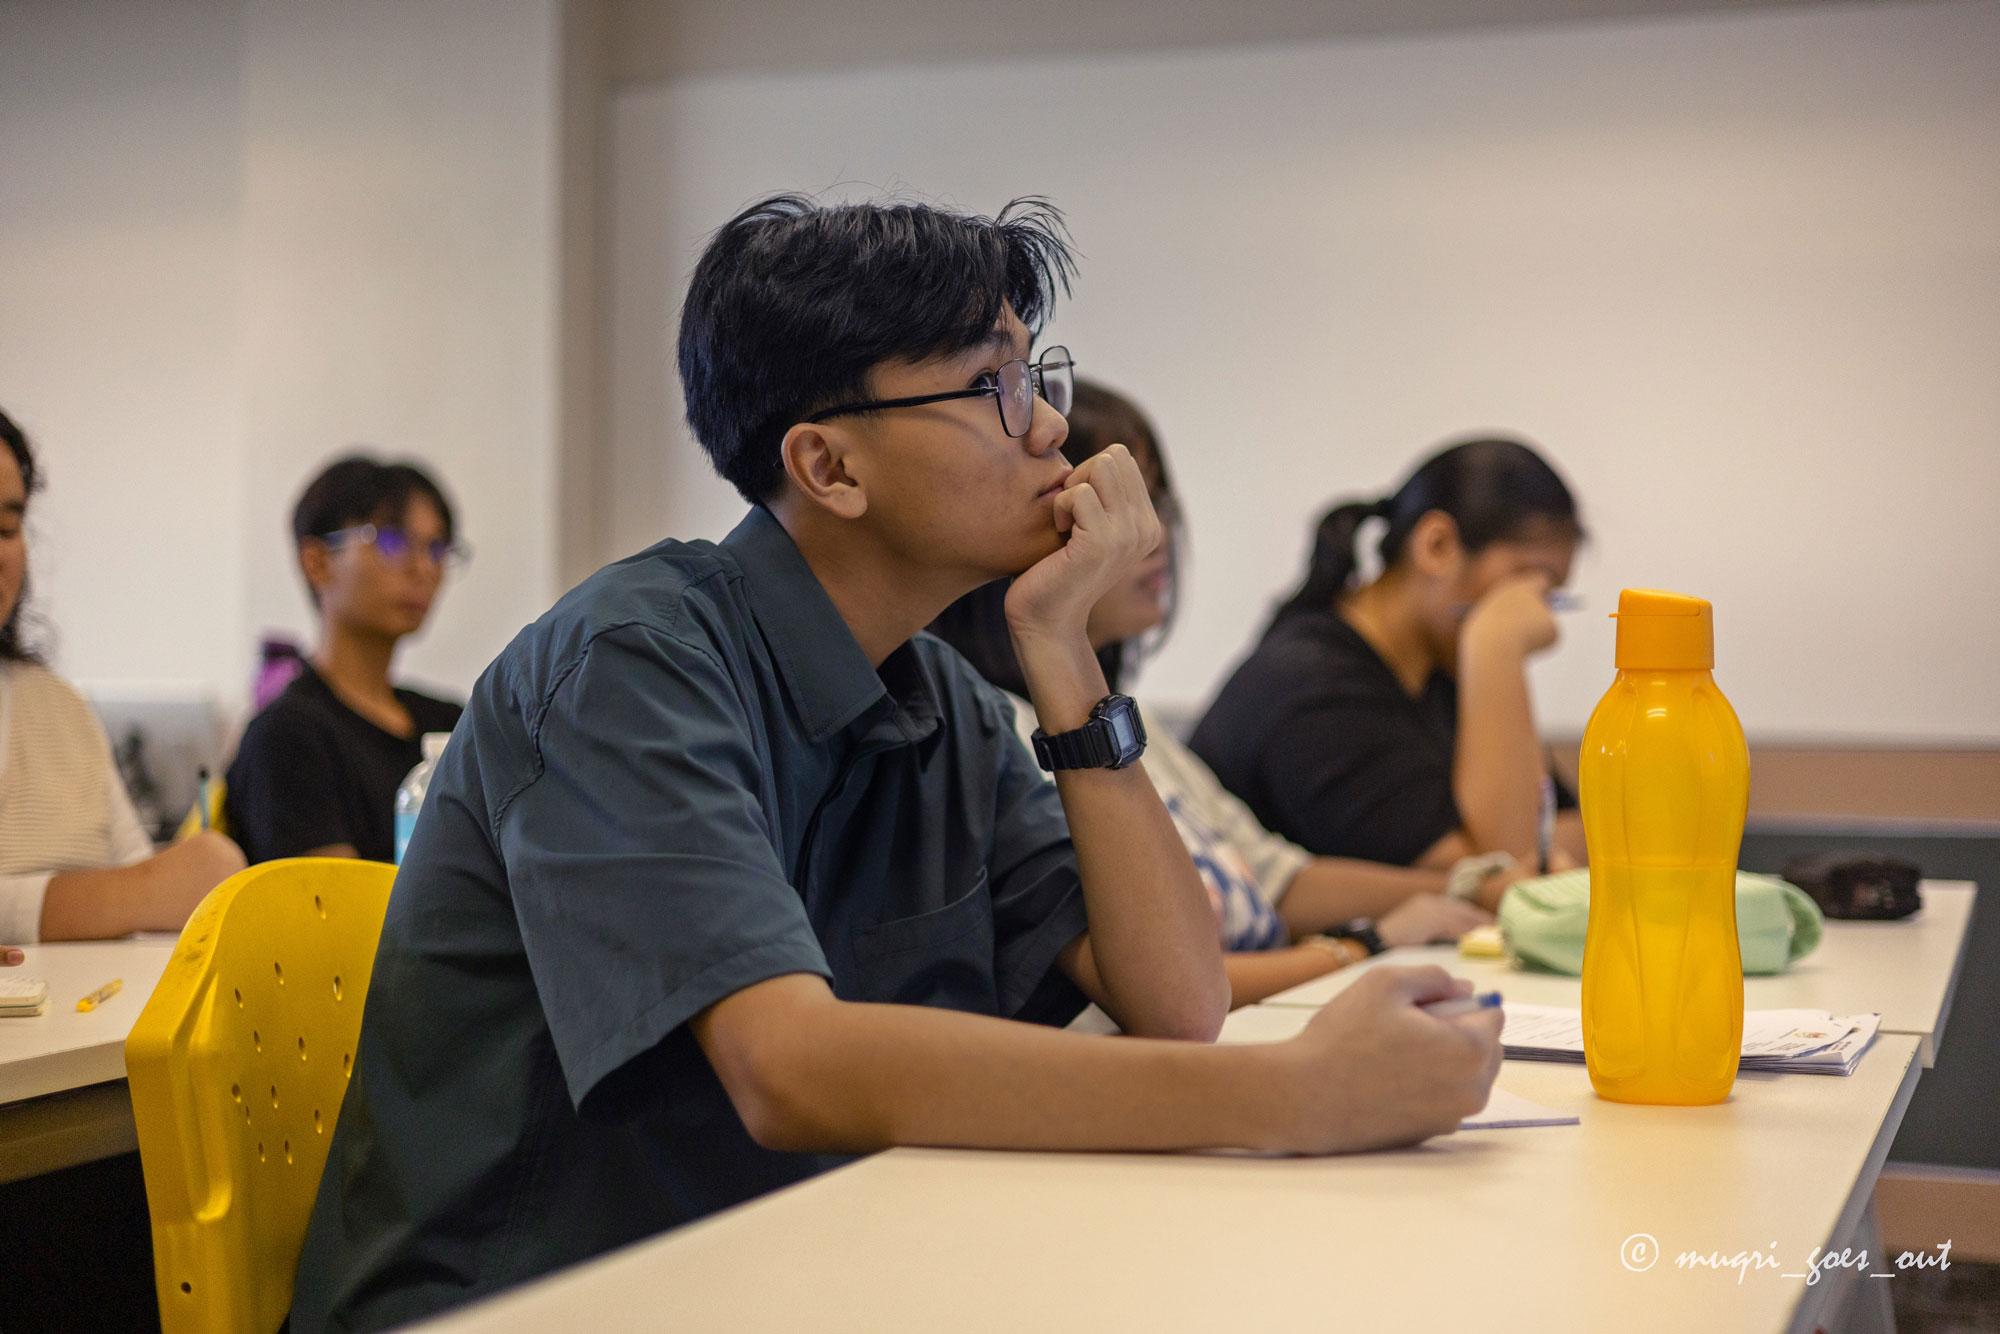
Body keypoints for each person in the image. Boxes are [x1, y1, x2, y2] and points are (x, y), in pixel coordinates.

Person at [290, 196, 1502, 1332]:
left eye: (1039, 375)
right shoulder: (629, 665)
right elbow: (791, 1067)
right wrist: (1295, 1093)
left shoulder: (945, 701)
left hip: (801, 1275)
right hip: (537, 1300)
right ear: (829, 466)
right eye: (994, 385)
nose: (1049, 427)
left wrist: (1063, 651)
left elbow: (1176, 1002)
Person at [930, 381, 1492, 1006]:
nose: (1151, 533)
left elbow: (1277, 877)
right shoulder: (1000, 725)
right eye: (1098, 503)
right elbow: (1172, 1000)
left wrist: (1466, 890)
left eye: (1155, 502)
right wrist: (1364, 945)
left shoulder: (1125, 722)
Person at [1192, 437, 1586, 882]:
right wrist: (1496, 646)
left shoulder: (1439, 674)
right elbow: (1504, 874)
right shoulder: (1313, 688)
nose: (1536, 609)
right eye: (1527, 582)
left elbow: (1565, 832)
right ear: (1436, 546)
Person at [0, 408, 244, 943]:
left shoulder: (57, 705)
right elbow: (149, 892)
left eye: (7, 527)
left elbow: (142, 880)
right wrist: (141, 893)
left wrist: (164, 884)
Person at [224, 457, 466, 864]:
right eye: (393, 542)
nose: (424, 568)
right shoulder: (287, 737)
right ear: (317, 562)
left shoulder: (452, 724)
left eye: (437, 548)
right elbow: (331, 909)